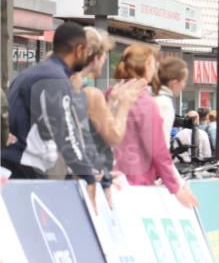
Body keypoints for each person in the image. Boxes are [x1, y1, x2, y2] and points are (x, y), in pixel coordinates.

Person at [3, 21, 100, 183]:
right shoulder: (54, 79)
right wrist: (87, 175)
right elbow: (65, 132)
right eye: (86, 51)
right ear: (78, 50)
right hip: (25, 166)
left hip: (13, 163)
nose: (86, 57)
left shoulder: (32, 73)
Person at [112, 45, 198, 208]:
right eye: (153, 63)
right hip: (137, 182)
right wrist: (177, 186)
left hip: (113, 178)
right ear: (147, 65)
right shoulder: (150, 103)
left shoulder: (112, 95)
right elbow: (159, 150)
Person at [76, 27, 145, 198]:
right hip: (87, 179)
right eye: (105, 54)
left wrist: (112, 103)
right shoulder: (90, 93)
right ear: (96, 57)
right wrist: (124, 104)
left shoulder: (70, 85)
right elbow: (114, 136)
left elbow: (95, 128)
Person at [155, 57, 188, 148]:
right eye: (184, 81)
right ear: (174, 83)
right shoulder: (164, 104)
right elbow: (160, 145)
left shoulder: (153, 96)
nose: (184, 85)